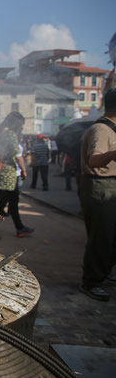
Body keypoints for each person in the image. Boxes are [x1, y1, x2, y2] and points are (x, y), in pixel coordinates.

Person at [78, 88, 116, 301]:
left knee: (111, 237)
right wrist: (112, 154)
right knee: (101, 237)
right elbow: (94, 160)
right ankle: (91, 281)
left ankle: (104, 270)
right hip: (101, 186)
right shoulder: (101, 130)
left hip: (110, 185)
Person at [0, 111, 35, 239]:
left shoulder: (0, 134)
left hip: (3, 173)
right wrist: (24, 169)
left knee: (12, 202)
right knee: (0, 204)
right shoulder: (10, 135)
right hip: (8, 175)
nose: (21, 127)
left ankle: (20, 228)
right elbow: (18, 156)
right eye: (21, 125)